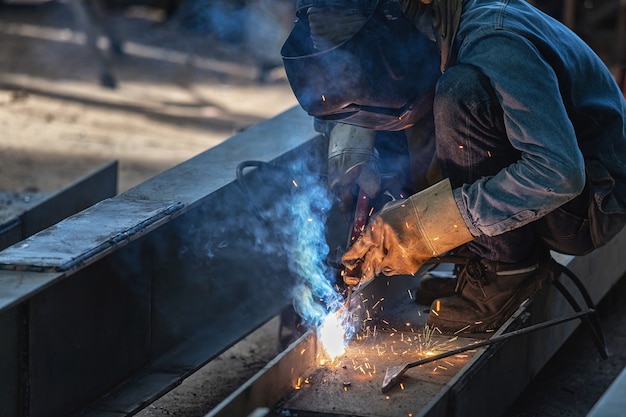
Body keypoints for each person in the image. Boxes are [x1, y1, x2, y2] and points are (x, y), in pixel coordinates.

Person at [281, 0, 626, 333]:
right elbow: (349, 87)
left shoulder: (495, 39)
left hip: (591, 202)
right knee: (416, 104)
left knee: (459, 93)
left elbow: (559, 173)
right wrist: (356, 161)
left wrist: (424, 225)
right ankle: (483, 254)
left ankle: (505, 270)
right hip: (556, 186)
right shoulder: (434, 29)